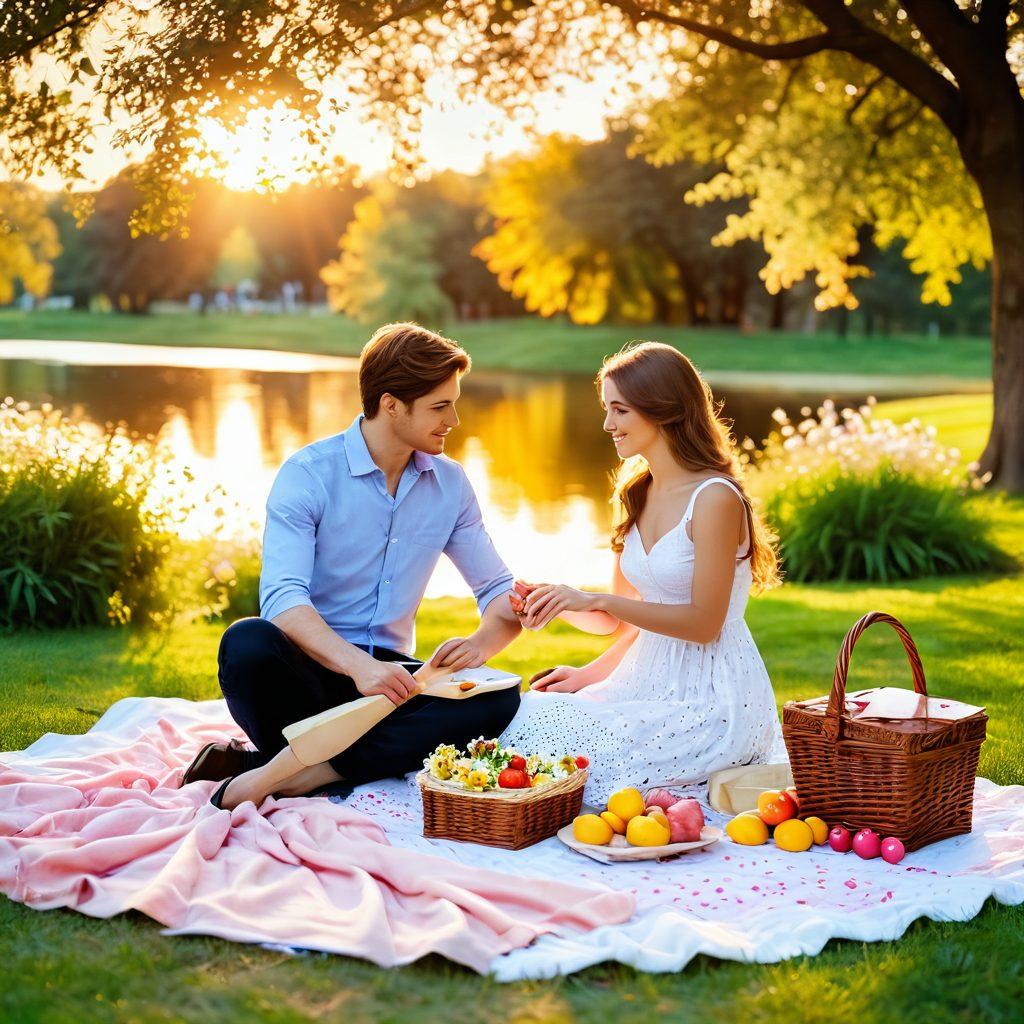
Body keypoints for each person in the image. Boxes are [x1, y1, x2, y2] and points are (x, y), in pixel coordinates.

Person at [182, 323, 522, 810]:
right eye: (440, 406)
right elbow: (282, 600)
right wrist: (356, 666)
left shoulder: (451, 485)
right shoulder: (308, 475)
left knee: (498, 695)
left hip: (393, 686)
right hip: (309, 674)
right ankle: (328, 762)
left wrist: (479, 644)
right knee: (246, 641)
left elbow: (496, 589)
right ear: (391, 404)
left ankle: (289, 772)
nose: (455, 419)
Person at [500, 342, 786, 803]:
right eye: (606, 409)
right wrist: (559, 604)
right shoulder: (634, 493)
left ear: (664, 410)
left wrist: (595, 599)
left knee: (585, 761)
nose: (608, 424)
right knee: (533, 717)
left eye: (620, 410)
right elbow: (619, 621)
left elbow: (703, 624)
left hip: (713, 700)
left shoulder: (715, 499)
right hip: (643, 681)